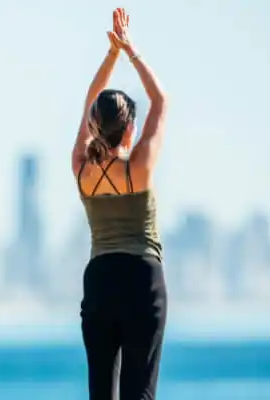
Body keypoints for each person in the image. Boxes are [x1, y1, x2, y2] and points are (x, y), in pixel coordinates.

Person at [71, 8, 168, 400]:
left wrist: (110, 56)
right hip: (141, 281)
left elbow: (88, 103)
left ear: (94, 126)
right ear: (130, 129)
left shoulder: (81, 170)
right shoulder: (139, 167)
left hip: (100, 281)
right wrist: (129, 50)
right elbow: (160, 101)